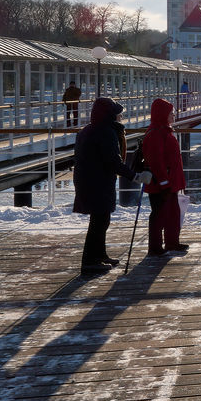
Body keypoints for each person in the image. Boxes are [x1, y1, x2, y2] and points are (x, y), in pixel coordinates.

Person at [74, 98, 151, 274]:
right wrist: (136, 176)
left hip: (90, 180)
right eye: (118, 114)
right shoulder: (105, 133)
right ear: (110, 116)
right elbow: (113, 162)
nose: (121, 117)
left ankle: (100, 255)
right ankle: (89, 261)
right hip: (97, 182)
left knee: (101, 219)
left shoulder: (89, 130)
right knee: (99, 222)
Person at [141, 97, 188, 257]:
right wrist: (164, 181)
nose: (174, 116)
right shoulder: (156, 134)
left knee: (172, 212)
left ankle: (172, 242)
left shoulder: (164, 130)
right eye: (171, 113)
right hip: (161, 183)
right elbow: (156, 161)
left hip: (170, 181)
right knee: (159, 214)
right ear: (163, 114)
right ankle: (155, 247)